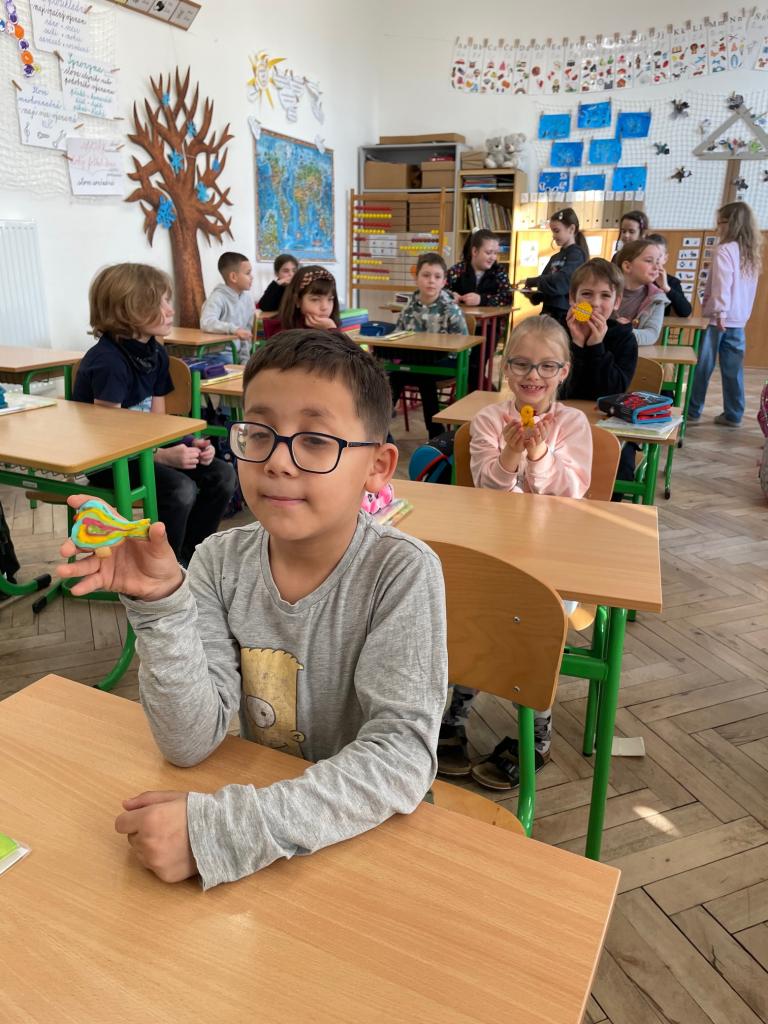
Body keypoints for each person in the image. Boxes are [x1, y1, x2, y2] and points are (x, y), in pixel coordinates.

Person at [57, 330, 448, 889]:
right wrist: (162, 607)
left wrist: (223, 831)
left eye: (316, 440)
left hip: (371, 838)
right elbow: (189, 742)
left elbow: (401, 756)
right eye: (259, 434)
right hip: (276, 833)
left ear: (378, 466)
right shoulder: (219, 561)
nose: (278, 462)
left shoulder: (401, 572)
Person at [438, 315, 591, 789]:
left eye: (547, 366)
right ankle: (455, 713)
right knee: (471, 612)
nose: (533, 375)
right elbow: (488, 491)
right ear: (505, 368)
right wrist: (509, 456)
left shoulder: (573, 424)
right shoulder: (489, 421)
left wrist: (539, 456)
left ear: (563, 372)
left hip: (554, 559)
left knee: (533, 621)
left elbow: (570, 493)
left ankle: (538, 736)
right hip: (494, 549)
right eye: (521, 364)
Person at [73, 264, 236, 564]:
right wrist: (162, 456)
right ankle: (162, 563)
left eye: (167, 300)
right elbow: (108, 437)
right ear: (128, 310)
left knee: (223, 475)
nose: (170, 310)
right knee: (180, 490)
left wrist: (187, 444)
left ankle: (189, 558)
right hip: (109, 460)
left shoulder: (156, 353)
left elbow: (157, 423)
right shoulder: (109, 362)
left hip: (144, 450)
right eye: (159, 303)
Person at [688, 201, 761, 427]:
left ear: (729, 224)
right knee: (733, 369)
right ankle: (734, 414)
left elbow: (722, 283)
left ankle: (693, 411)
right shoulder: (750, 253)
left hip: (718, 320)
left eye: (719, 222)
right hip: (738, 320)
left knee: (703, 366)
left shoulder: (724, 249)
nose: (717, 227)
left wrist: (720, 311)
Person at [389, 252, 468, 438]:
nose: (431, 281)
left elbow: (465, 343)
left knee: (423, 375)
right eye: (426, 275)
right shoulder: (409, 308)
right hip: (416, 361)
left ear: (444, 281)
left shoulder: (451, 309)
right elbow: (398, 335)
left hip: (445, 362)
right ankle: (379, 426)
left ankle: (435, 434)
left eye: (437, 276)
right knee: (396, 374)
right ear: (416, 278)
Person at [562, 258, 638, 401]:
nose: (595, 303)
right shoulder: (558, 333)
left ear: (617, 302)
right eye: (587, 294)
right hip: (563, 411)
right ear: (572, 298)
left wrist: (596, 346)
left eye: (605, 295)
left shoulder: (625, 339)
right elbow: (560, 391)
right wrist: (577, 344)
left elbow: (612, 393)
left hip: (603, 413)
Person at [517, 208, 589, 326]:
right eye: (552, 232)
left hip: (565, 316)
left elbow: (561, 282)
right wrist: (532, 294)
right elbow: (545, 286)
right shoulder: (555, 257)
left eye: (557, 231)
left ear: (571, 229)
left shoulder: (577, 255)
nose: (554, 236)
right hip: (549, 313)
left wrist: (531, 281)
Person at [200, 252, 256, 363]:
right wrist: (234, 330)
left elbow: (246, 334)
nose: (252, 277)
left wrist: (245, 361)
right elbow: (206, 322)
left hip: (237, 355)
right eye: (248, 273)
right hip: (217, 354)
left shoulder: (248, 300)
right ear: (233, 277)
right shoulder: (217, 297)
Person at [263, 265, 341, 339]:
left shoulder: (330, 323)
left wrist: (332, 328)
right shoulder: (284, 333)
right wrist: (332, 331)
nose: (325, 307)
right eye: (315, 300)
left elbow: (343, 348)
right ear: (298, 301)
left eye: (330, 299)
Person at [615, 239, 668, 346]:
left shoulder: (657, 298)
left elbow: (652, 334)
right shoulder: (603, 289)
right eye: (649, 261)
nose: (656, 267)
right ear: (627, 266)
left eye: (658, 262)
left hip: (631, 353)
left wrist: (622, 332)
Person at [446, 229, 512, 308]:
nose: (493, 258)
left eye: (495, 253)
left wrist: (481, 299)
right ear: (475, 251)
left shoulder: (499, 272)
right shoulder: (457, 270)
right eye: (488, 253)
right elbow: (438, 290)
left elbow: (507, 298)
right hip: (462, 315)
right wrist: (450, 296)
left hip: (490, 316)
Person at [646, 233, 692, 318]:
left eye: (658, 256)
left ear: (665, 259)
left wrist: (666, 288)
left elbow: (686, 312)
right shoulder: (637, 277)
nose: (654, 260)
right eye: (650, 256)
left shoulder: (672, 282)